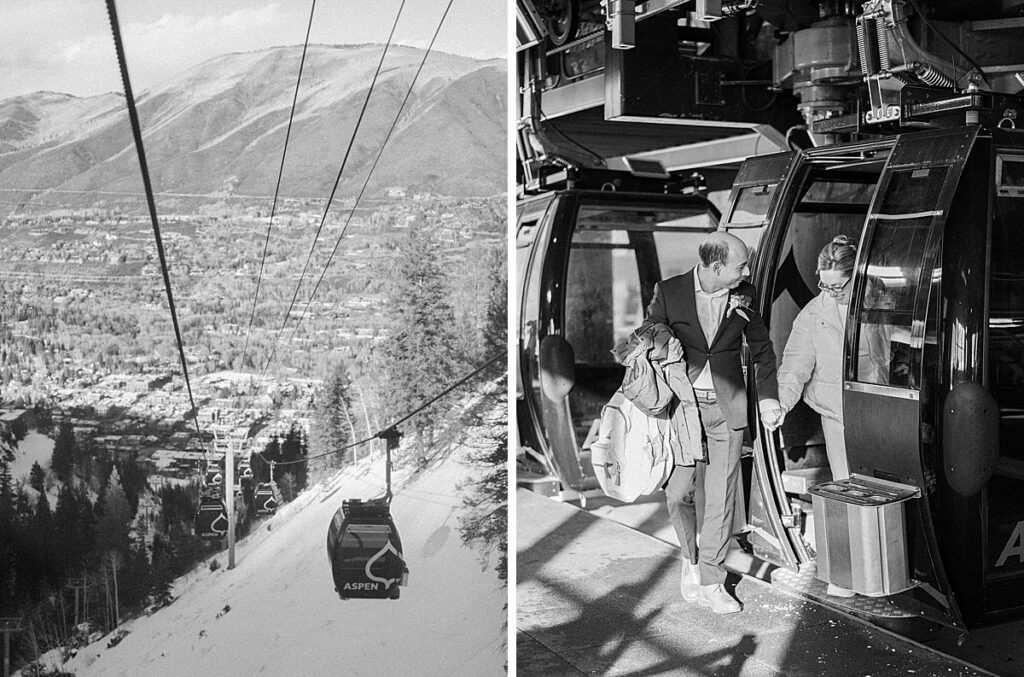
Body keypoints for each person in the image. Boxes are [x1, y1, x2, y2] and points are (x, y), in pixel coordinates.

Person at [646, 231, 782, 614]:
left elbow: (762, 349)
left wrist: (769, 397)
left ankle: (711, 581)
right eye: (741, 266)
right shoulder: (669, 292)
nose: (747, 273)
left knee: (721, 496)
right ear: (717, 267)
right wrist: (663, 341)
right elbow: (648, 332)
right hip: (684, 410)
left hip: (727, 409)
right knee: (678, 494)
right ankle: (690, 559)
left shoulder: (745, 295)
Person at [771, 234, 857, 598]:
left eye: (838, 286)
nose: (831, 292)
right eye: (825, 285)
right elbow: (795, 366)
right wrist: (781, 404)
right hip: (836, 413)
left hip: (879, 411)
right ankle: (848, 574)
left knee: (885, 489)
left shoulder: (879, 301)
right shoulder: (813, 314)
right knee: (847, 489)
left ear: (856, 275)